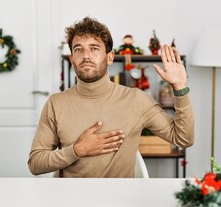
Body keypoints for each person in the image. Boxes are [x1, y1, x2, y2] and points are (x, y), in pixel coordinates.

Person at [28, 17, 194, 177]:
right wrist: (77, 150)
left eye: (94, 48)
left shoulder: (136, 100)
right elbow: (35, 163)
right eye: (78, 49)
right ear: (72, 59)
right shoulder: (56, 103)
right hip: (72, 201)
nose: (86, 55)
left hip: (121, 201)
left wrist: (180, 88)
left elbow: (183, 138)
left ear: (110, 57)